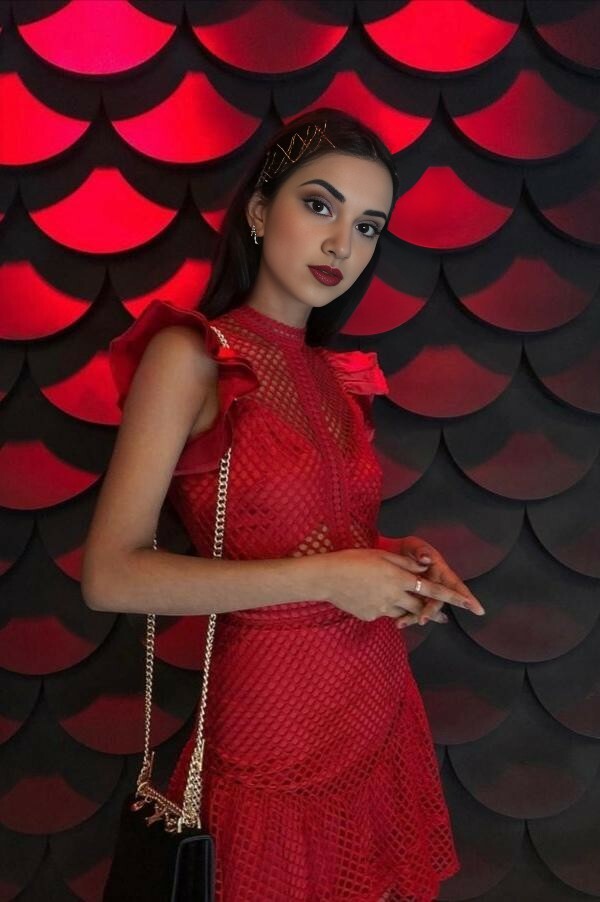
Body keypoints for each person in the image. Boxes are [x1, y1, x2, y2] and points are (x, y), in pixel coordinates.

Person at [82, 108, 485, 902]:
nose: (342, 245)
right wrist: (329, 578)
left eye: (367, 226)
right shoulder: (192, 357)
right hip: (270, 735)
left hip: (377, 714)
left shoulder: (336, 378)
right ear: (262, 212)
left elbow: (320, 538)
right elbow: (110, 576)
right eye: (320, 205)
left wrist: (394, 563)